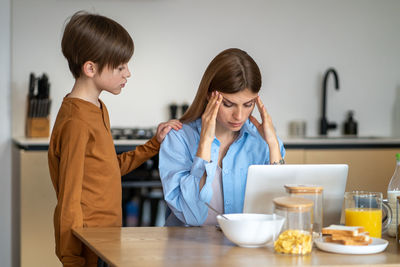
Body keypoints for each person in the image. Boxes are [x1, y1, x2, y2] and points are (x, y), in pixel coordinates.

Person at [48, 11, 182, 266]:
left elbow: (110, 168)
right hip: (88, 245)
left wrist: (154, 144)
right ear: (90, 68)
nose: (128, 73)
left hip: (106, 239)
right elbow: (69, 197)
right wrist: (71, 258)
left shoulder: (98, 108)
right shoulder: (76, 121)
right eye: (120, 66)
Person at [159, 48, 285, 226]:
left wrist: (273, 145)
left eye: (248, 104)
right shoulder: (178, 139)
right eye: (228, 104)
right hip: (189, 250)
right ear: (210, 95)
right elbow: (191, 217)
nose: (239, 116)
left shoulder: (263, 141)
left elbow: (280, 214)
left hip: (246, 248)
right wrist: (205, 144)